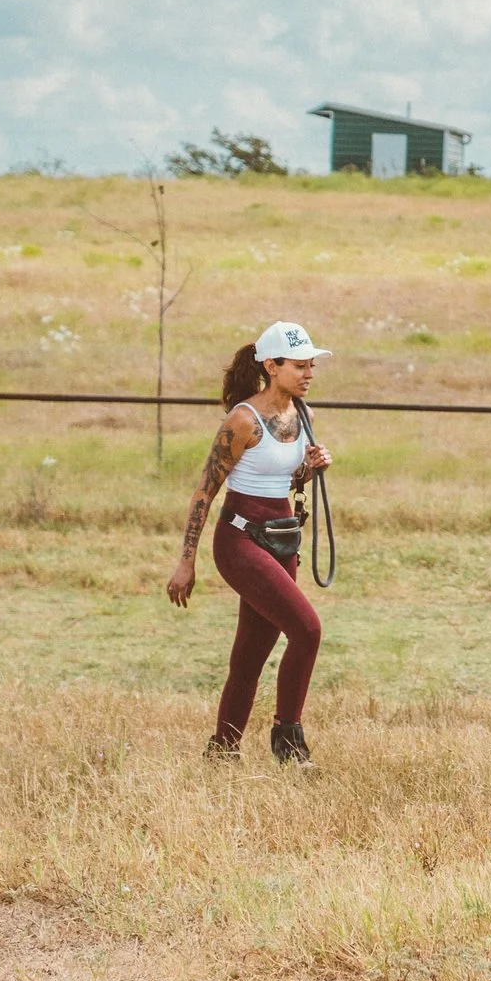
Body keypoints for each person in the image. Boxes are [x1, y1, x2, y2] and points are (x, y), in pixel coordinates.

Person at [167, 321, 334, 766]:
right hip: (240, 540)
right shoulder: (243, 419)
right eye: (299, 365)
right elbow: (205, 490)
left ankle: (222, 749)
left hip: (282, 539)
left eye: (311, 365)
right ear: (271, 366)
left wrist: (311, 469)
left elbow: (286, 480)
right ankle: (288, 736)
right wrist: (186, 562)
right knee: (307, 629)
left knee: (251, 654)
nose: (308, 373)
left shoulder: (305, 417)